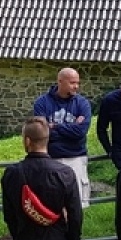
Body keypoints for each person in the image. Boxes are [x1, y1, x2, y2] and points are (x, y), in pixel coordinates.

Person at [33, 67, 92, 208]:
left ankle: (74, 230)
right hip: (51, 159)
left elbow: (80, 132)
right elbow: (42, 131)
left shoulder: (82, 103)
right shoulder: (42, 103)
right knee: (51, 203)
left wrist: (56, 127)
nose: (76, 86)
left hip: (76, 157)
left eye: (77, 82)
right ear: (60, 81)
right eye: (72, 82)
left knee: (76, 204)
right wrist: (69, 128)